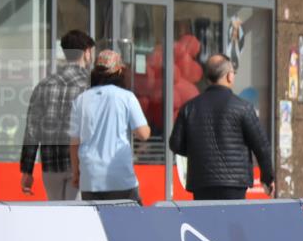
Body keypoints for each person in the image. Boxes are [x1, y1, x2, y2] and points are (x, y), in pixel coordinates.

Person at [168, 54, 274, 200]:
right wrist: (267, 178)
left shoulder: (189, 108)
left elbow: (175, 144)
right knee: (232, 222)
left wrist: (198, 151)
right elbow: (262, 146)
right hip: (235, 185)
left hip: (201, 183)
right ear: (229, 76)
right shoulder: (243, 108)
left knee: (203, 223)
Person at [20, 30, 95, 200]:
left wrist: (27, 170)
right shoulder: (91, 84)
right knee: (75, 219)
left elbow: (32, 130)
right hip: (80, 165)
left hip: (50, 165)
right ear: (87, 52)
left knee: (56, 218)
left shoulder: (44, 85)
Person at [69, 50, 150, 202]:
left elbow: (74, 143)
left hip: (90, 177)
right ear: (119, 70)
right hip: (120, 176)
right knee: (129, 224)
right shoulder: (126, 97)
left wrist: (76, 174)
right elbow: (143, 133)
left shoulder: (81, 100)